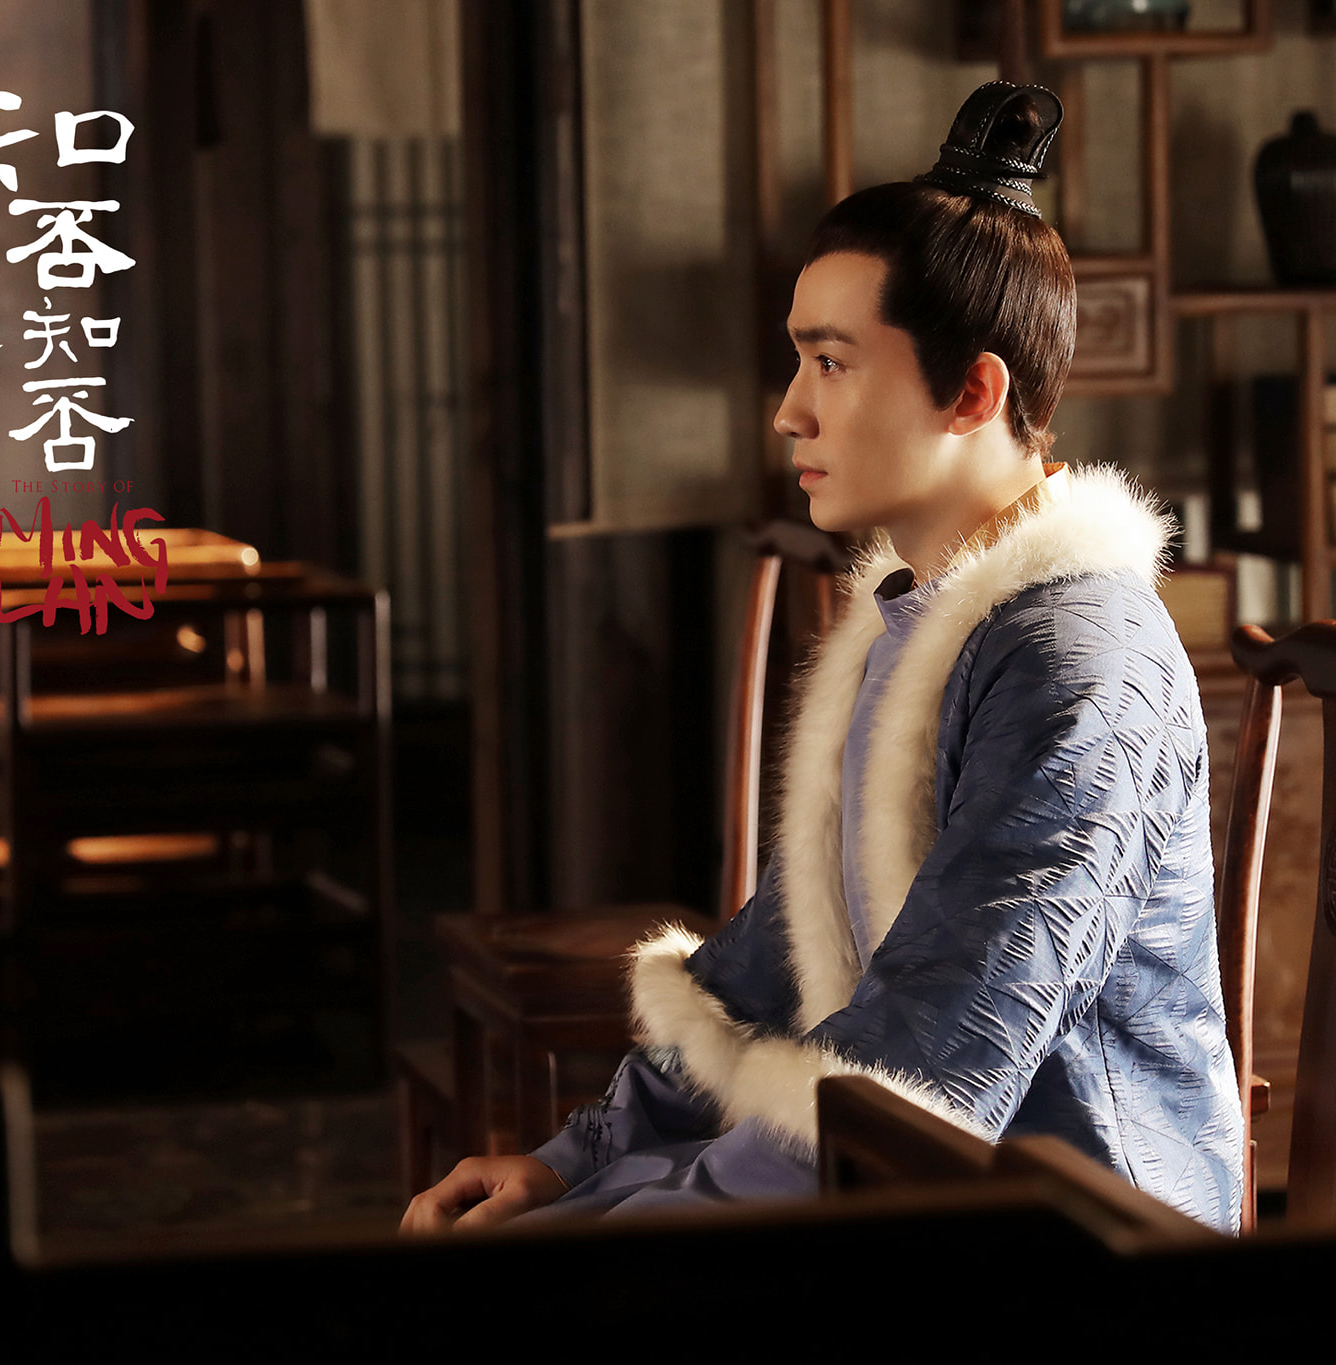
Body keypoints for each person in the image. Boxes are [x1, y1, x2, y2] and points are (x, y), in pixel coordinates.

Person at [401, 81, 1243, 1237]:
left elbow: (935, 1065)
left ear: (973, 389)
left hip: (1077, 1213)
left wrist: (614, 1219)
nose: (789, 411)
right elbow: (772, 960)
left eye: (831, 363)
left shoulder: (1076, 659)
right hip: (898, 1163)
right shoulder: (918, 618)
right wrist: (572, 1164)